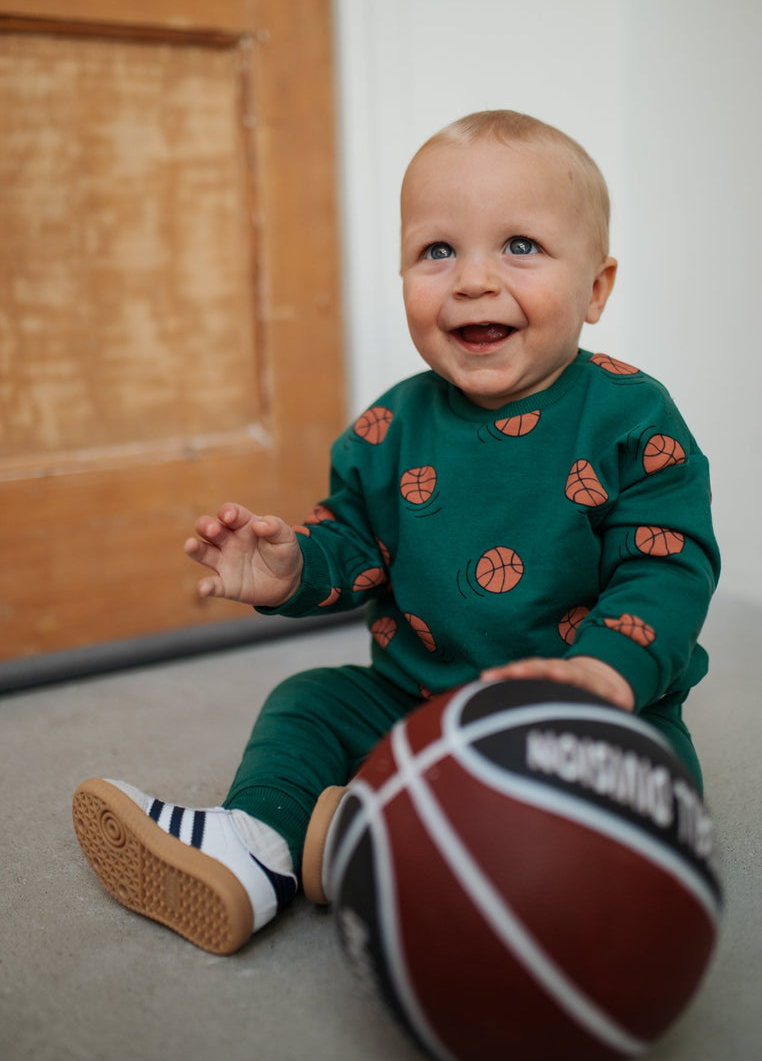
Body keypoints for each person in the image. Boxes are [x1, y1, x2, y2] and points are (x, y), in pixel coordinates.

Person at [73, 110, 720, 955]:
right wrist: (293, 569)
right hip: (420, 702)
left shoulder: (632, 417)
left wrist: (603, 673)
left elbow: (666, 568)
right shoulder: (388, 430)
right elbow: (355, 546)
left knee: (646, 816)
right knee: (309, 702)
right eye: (437, 250)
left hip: (580, 714)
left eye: (520, 245)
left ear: (596, 289)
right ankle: (257, 848)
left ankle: (375, 843)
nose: (473, 280)